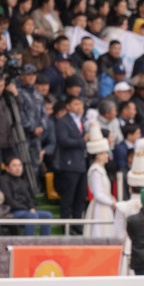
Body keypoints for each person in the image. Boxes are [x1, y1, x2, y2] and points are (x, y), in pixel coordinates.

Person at [54, 96, 89, 234]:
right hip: (69, 164)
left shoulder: (84, 121)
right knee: (68, 198)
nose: (79, 107)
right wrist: (82, 141)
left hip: (83, 164)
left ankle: (77, 224)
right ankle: (65, 226)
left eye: (81, 104)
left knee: (80, 198)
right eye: (75, 104)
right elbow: (63, 141)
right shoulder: (63, 121)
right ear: (68, 106)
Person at [83, 122, 120, 238]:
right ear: (98, 154)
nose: (107, 155)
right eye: (105, 153)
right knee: (99, 233)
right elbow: (98, 194)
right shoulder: (96, 170)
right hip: (100, 207)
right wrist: (113, 202)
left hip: (105, 206)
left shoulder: (101, 169)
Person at [0, 157, 51, 234]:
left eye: (20, 165)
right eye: (15, 165)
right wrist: (27, 209)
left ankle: (44, 244)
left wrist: (32, 207)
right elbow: (9, 200)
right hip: (11, 211)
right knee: (32, 216)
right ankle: (27, 244)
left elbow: (29, 198)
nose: (18, 168)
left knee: (47, 215)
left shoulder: (23, 181)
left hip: (25, 210)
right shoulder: (3, 181)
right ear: (7, 168)